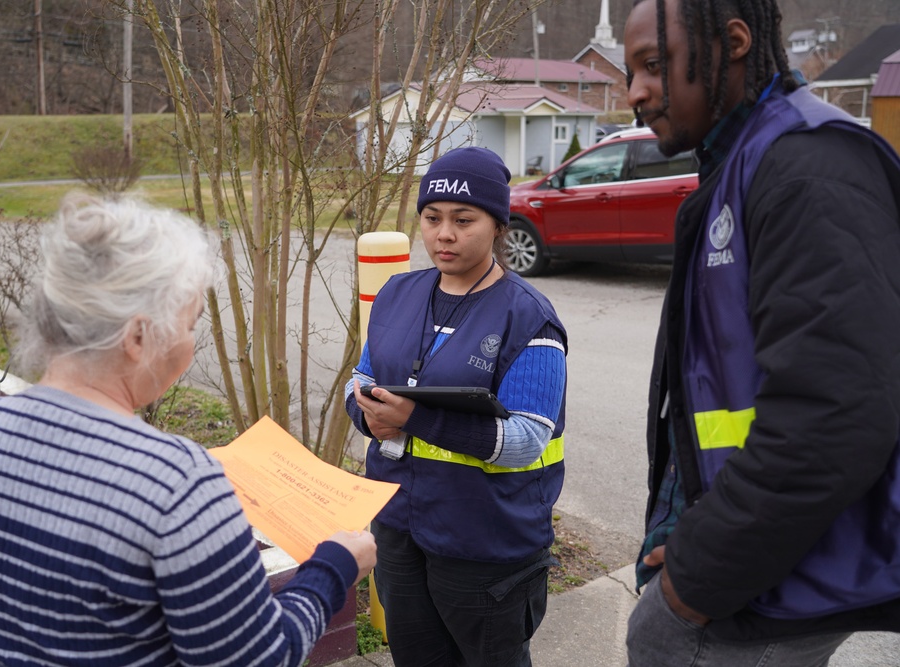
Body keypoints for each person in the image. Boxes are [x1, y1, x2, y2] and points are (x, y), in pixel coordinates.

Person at [0, 194, 376, 667]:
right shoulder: (179, 484)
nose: (192, 342)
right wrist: (334, 567)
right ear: (138, 337)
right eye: (190, 324)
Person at [623, 0, 900, 664]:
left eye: (654, 65)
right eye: (630, 72)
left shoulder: (808, 167)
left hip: (757, 598)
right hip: (749, 577)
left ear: (734, 42)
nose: (634, 93)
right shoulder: (743, 160)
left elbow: (835, 414)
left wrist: (695, 578)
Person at [345, 146, 568, 666]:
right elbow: (360, 381)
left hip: (486, 543)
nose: (444, 234)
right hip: (400, 526)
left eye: (463, 220)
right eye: (432, 218)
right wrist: (371, 418)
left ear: (497, 227)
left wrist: (413, 418)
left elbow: (527, 441)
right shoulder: (398, 294)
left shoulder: (528, 317)